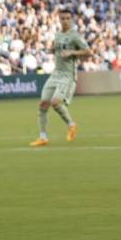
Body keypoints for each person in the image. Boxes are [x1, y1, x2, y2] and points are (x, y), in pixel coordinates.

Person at [29, 8, 91, 147]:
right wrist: (52, 49)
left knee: (56, 102)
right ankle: (43, 137)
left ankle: (71, 125)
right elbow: (55, 49)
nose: (65, 21)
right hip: (56, 73)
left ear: (71, 19)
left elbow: (88, 51)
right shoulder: (57, 35)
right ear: (59, 19)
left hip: (67, 76)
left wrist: (72, 52)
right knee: (43, 104)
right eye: (62, 18)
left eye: (67, 18)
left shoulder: (74, 36)